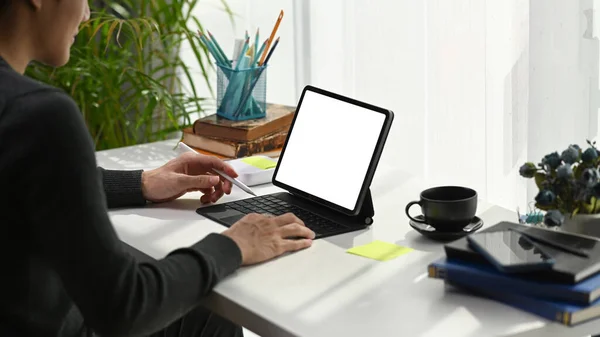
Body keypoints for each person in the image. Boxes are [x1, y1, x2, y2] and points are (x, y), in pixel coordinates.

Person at [0, 0, 316, 336]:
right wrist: (234, 245)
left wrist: (143, 182)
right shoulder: (43, 116)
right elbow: (123, 307)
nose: (88, 14)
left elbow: (23, 176)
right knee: (212, 316)